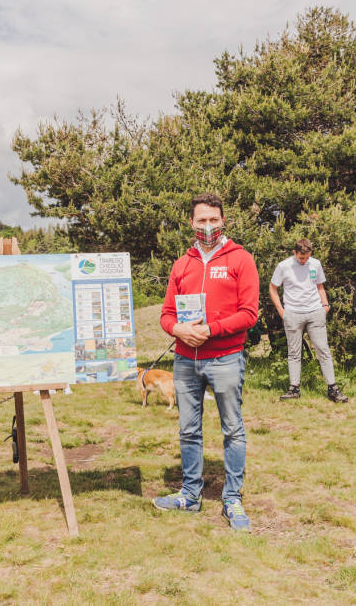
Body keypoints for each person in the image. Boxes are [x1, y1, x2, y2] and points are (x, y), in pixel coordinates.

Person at [156, 192, 260, 531]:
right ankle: (190, 494)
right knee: (188, 430)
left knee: (232, 429)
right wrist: (178, 329)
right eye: (201, 220)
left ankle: (232, 498)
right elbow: (166, 315)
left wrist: (211, 330)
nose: (208, 226)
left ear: (223, 221)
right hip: (186, 360)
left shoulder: (240, 259)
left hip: (226, 358)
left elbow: (249, 313)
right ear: (191, 223)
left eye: (214, 220)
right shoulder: (182, 264)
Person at [269, 239, 348, 403]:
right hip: (292, 314)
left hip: (315, 312)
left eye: (306, 257)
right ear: (294, 253)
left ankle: (333, 388)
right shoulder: (284, 266)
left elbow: (320, 286)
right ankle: (294, 388)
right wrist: (281, 311)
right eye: (301, 257)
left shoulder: (316, 264)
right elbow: (273, 288)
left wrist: (325, 305)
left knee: (323, 349)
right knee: (294, 352)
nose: (304, 260)